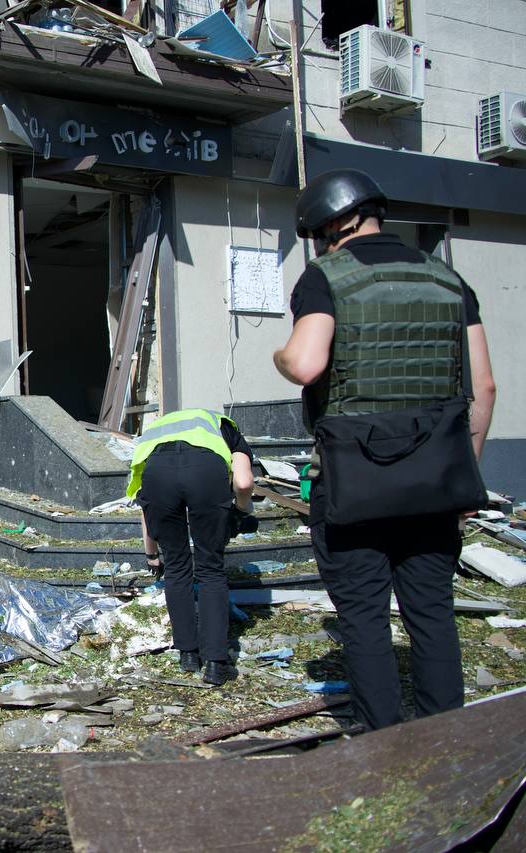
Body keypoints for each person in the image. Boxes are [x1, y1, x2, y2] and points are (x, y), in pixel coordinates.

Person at [273, 168, 497, 731]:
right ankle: (447, 742)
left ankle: (384, 747)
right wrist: (461, 478)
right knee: (433, 614)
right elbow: (484, 388)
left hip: (356, 484)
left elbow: (305, 364)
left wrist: (280, 356)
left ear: (327, 228)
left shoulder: (326, 277)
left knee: (365, 620)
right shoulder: (449, 279)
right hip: (434, 483)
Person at [127, 409, 255, 685]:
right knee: (210, 568)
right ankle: (216, 663)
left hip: (157, 478)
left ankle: (187, 654)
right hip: (206, 474)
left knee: (175, 568)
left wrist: (151, 555)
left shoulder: (155, 433)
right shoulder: (223, 426)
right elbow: (244, 483)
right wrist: (241, 513)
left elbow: (146, 509)